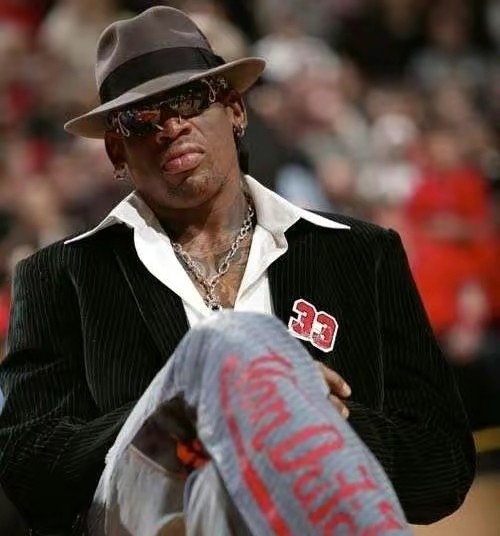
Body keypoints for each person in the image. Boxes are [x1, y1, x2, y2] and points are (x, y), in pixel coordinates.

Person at [0, 6, 474, 535]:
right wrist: (188, 406)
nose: (170, 126)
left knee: (232, 428)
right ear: (116, 151)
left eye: (189, 99)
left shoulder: (362, 254)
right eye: (140, 117)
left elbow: (444, 466)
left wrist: (313, 417)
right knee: (224, 355)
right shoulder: (60, 276)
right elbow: (27, 470)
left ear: (235, 110)